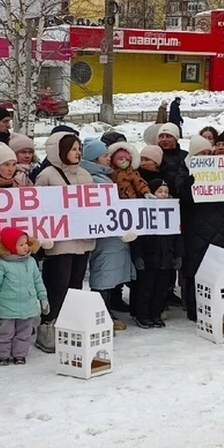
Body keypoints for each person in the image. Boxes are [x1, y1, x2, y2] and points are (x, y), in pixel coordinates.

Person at [35, 132, 96, 351]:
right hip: (59, 241)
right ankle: (48, 326)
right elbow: (37, 208)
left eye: (79, 148)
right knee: (57, 284)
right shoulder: (47, 175)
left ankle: (69, 325)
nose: (77, 153)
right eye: (72, 149)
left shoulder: (86, 174)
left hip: (82, 239)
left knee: (75, 285)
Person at [176, 135, 224, 321]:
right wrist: (193, 179)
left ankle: (215, 305)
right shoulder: (184, 171)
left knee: (215, 269)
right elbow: (183, 197)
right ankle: (194, 309)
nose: (206, 157)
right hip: (195, 230)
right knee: (195, 271)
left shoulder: (220, 171)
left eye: (209, 153)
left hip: (219, 227)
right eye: (202, 153)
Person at [82, 139, 134, 331]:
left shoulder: (103, 175)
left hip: (112, 232)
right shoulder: (94, 179)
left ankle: (108, 308)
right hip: (105, 234)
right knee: (104, 271)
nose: (108, 158)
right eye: (104, 156)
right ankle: (102, 313)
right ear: (95, 158)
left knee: (110, 271)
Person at [0, 227, 48, 366]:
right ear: (10, 247)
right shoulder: (1, 264)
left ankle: (20, 354)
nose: (25, 247)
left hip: (27, 305)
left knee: (23, 333)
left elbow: (37, 280)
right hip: (7, 306)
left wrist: (43, 298)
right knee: (4, 333)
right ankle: (2, 355)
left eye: (26, 243)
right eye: (21, 245)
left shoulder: (31, 262)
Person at [131, 179, 183, 328]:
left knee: (161, 290)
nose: (163, 194)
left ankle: (155, 314)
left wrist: (179, 255)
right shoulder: (143, 212)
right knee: (146, 289)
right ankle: (142, 315)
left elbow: (179, 236)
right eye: (159, 191)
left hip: (166, 259)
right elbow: (137, 238)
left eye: (166, 192)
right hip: (149, 259)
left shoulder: (173, 212)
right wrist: (137, 256)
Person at [157, 123, 189, 195]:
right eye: (161, 137)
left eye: (168, 136)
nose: (164, 139)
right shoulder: (154, 155)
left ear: (176, 138)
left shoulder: (185, 156)